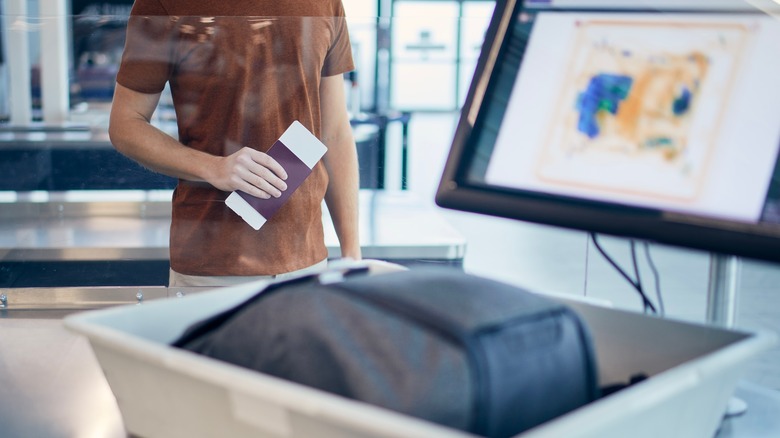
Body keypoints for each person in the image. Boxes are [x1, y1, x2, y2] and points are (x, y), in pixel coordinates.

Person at [108, 0, 361, 286]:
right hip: (212, 267)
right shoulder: (163, 3)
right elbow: (125, 124)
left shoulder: (327, 2)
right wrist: (213, 168)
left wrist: (352, 254)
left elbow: (335, 132)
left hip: (309, 263)